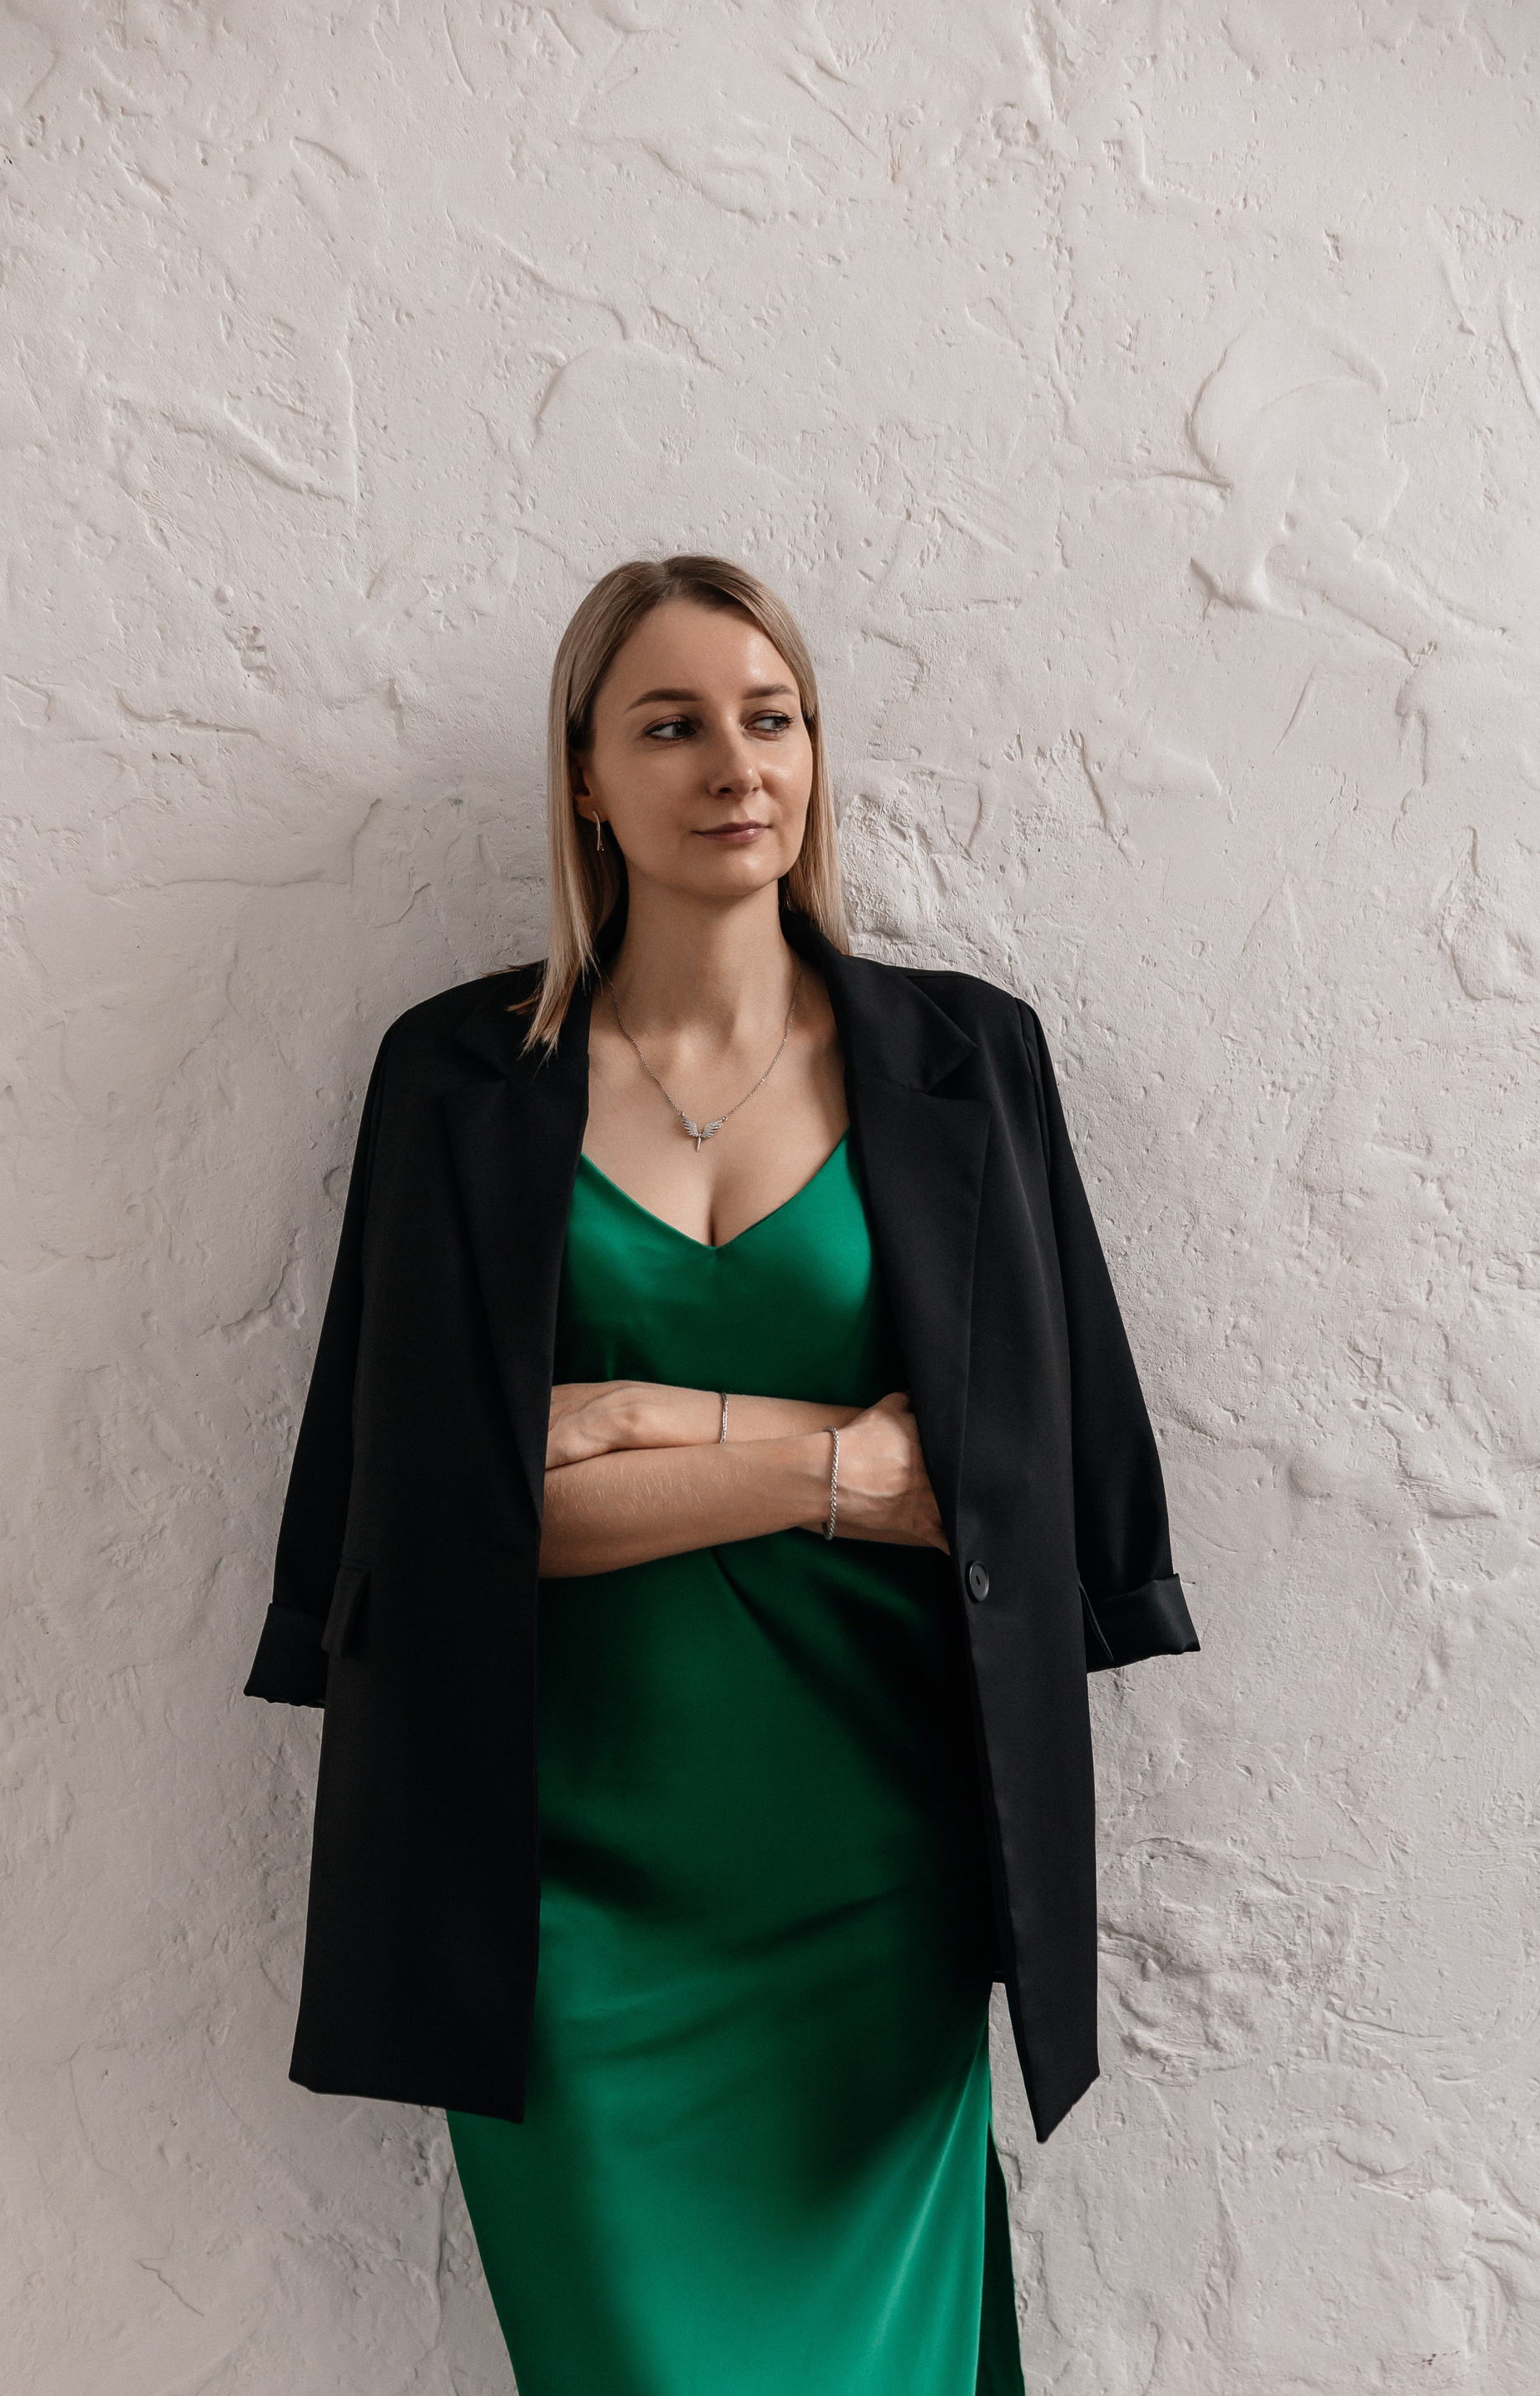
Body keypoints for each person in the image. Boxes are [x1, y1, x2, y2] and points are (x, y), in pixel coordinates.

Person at [242, 554, 1200, 2395]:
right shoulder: (457, 1077)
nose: (735, 765)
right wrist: (841, 1462)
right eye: (672, 725)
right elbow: (439, 1525)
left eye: (772, 719)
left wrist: (630, 1422)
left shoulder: (966, 1059)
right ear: (586, 777)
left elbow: (1003, 1490)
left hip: (880, 1881)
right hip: (556, 1906)